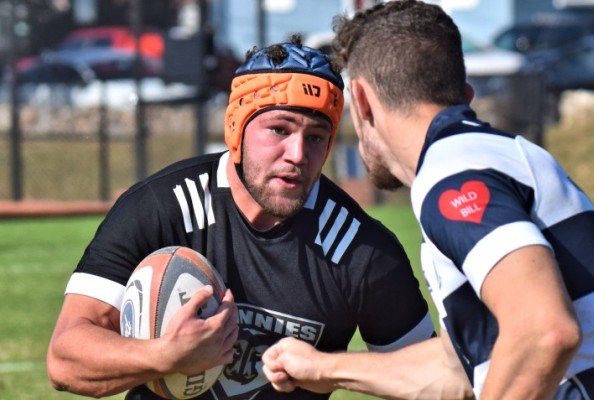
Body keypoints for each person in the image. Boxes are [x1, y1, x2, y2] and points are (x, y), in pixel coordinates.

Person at [262, 1, 594, 399]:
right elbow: (458, 372)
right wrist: (323, 368)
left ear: (364, 101)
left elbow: (543, 331)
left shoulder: (452, 173)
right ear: (465, 92)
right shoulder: (484, 155)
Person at [46, 35, 436, 400]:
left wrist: (329, 368)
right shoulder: (161, 207)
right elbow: (65, 359)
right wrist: (166, 357)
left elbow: (434, 376)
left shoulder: (359, 248)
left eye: (316, 137)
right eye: (279, 129)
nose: (298, 154)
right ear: (235, 127)